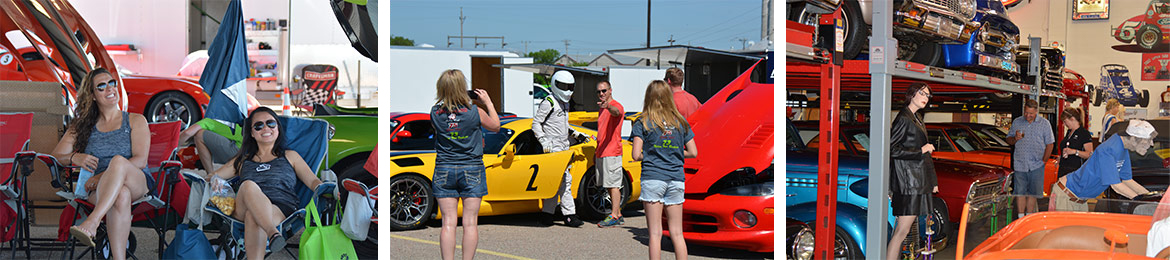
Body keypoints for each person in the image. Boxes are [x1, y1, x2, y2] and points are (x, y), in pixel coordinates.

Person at [53, 68, 152, 260]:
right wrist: (75, 158)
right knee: (121, 194)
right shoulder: (82, 125)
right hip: (98, 190)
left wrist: (101, 176)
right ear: (92, 95)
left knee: (118, 162)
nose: (109, 89)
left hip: (136, 181)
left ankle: (92, 222)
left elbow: (141, 160)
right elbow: (56, 155)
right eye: (101, 86)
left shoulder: (134, 120)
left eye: (111, 83)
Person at [205, 107, 327, 260]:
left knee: (253, 216)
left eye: (271, 123)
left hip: (280, 209)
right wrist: (215, 179)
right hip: (244, 207)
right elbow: (213, 176)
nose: (266, 128)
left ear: (278, 128)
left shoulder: (290, 156)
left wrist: (325, 187)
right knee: (248, 185)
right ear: (252, 133)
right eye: (258, 125)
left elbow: (312, 180)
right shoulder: (244, 160)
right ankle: (273, 233)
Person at [429, 69, 500, 260]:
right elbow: (495, 125)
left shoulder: (435, 112)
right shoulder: (475, 112)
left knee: (448, 222)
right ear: (463, 88)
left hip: (444, 167)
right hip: (471, 167)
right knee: (470, 223)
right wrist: (488, 102)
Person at [631, 80, 698, 260]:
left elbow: (636, 154)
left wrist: (654, 154)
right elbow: (693, 151)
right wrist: (673, 152)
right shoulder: (680, 122)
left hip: (653, 177)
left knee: (655, 233)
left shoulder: (643, 121)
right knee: (677, 233)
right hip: (676, 178)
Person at [1051, 119, 1155, 212]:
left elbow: (1127, 180)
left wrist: (1152, 197)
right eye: (1148, 140)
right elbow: (1116, 186)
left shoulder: (1123, 149)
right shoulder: (1108, 149)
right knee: (1066, 233)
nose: (1151, 144)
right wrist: (1142, 202)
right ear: (1133, 138)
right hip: (1067, 195)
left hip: (1079, 199)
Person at [885, 82, 939, 260]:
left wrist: (933, 182)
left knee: (903, 230)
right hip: (908, 183)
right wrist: (920, 151)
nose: (925, 98)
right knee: (902, 231)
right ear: (912, 94)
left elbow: (926, 154)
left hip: (916, 181)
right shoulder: (904, 119)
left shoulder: (916, 118)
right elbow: (891, 149)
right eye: (922, 94)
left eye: (927, 95)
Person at [533, 70, 587, 227]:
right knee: (565, 182)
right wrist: (543, 140)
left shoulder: (564, 103)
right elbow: (536, 123)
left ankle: (546, 215)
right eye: (564, 86)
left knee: (555, 183)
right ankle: (569, 215)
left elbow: (563, 124)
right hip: (553, 148)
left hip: (564, 147)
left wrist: (576, 133)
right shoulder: (548, 102)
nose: (567, 90)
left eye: (570, 86)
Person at [1006, 99, 1054, 217]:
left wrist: (1044, 161)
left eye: (1031, 113)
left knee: (1034, 193)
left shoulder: (1044, 124)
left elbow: (1050, 144)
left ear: (1036, 111)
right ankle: (1020, 217)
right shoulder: (1017, 122)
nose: (1028, 115)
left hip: (1037, 165)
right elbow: (1008, 139)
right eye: (1026, 112)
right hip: (1020, 164)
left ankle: (1029, 216)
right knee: (1020, 192)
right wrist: (1014, 139)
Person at [594, 81, 626, 228]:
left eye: (604, 91)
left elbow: (616, 112)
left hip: (612, 152)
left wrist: (608, 106)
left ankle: (613, 215)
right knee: (608, 184)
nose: (601, 94)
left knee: (613, 185)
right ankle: (617, 214)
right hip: (602, 151)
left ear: (610, 90)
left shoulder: (615, 105)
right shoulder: (601, 108)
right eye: (599, 92)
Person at [1058, 107, 1094, 179]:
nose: (1064, 124)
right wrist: (1060, 158)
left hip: (1076, 172)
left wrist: (1074, 152)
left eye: (1065, 121)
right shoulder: (1069, 132)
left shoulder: (1084, 133)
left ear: (1072, 119)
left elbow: (1089, 154)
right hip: (1063, 170)